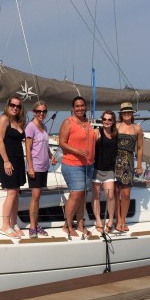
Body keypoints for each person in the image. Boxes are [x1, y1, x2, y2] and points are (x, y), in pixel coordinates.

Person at [58, 96, 95, 240]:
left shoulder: (87, 122)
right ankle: (67, 225)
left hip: (88, 165)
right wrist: (77, 151)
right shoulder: (68, 122)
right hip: (72, 164)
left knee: (82, 196)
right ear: (73, 108)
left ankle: (80, 225)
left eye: (82, 105)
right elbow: (62, 143)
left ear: (85, 107)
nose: (80, 108)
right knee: (76, 194)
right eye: (77, 106)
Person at [0, 96, 27, 238]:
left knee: (16, 193)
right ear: (7, 105)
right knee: (11, 193)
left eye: (18, 106)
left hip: (19, 159)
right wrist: (6, 161)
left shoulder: (19, 121)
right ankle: (5, 226)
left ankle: (14, 223)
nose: (15, 108)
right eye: (12, 105)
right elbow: (0, 141)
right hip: (8, 160)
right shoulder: (4, 119)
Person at [25, 100, 56, 238]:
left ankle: (36, 224)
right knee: (35, 197)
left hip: (44, 167)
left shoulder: (44, 127)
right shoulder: (30, 127)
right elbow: (28, 148)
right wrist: (30, 167)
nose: (42, 113)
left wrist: (51, 156)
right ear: (34, 112)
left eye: (44, 111)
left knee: (39, 197)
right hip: (35, 167)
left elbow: (45, 145)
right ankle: (32, 227)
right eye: (39, 111)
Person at [114, 102, 143, 232]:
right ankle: (118, 219)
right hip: (115, 161)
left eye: (129, 112)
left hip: (129, 162)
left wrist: (139, 166)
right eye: (124, 112)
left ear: (132, 114)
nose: (127, 114)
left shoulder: (137, 129)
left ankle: (123, 219)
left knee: (125, 194)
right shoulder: (116, 126)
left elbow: (140, 148)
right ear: (121, 114)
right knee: (115, 193)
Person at [92, 110, 118, 234]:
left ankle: (111, 219)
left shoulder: (115, 134)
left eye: (109, 120)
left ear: (113, 121)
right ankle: (98, 219)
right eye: (105, 119)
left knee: (110, 196)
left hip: (109, 170)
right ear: (102, 120)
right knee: (96, 196)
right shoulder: (97, 132)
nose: (107, 122)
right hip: (96, 169)